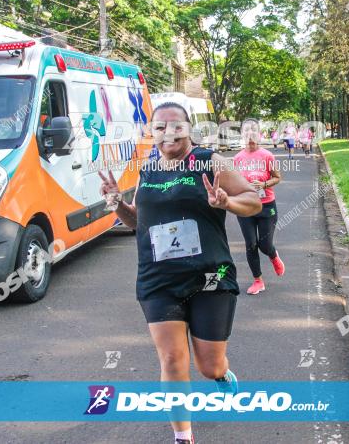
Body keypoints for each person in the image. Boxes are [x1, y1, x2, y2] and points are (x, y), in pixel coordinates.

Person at [99, 102, 261, 444]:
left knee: (208, 366)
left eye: (176, 127)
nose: (168, 133)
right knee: (172, 359)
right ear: (152, 132)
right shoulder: (149, 169)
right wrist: (117, 204)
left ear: (189, 130)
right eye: (160, 127)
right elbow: (139, 225)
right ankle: (183, 437)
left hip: (209, 277)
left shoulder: (209, 161)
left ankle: (220, 375)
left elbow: (253, 199)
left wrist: (226, 203)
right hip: (159, 279)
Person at [234, 119, 285, 295]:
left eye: (254, 132)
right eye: (246, 132)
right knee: (250, 244)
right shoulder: (238, 158)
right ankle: (258, 281)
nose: (250, 136)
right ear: (242, 135)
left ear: (259, 134)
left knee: (264, 245)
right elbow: (234, 183)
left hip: (266, 206)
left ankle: (273, 255)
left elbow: (277, 178)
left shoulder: (267, 156)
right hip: (245, 206)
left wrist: (264, 184)